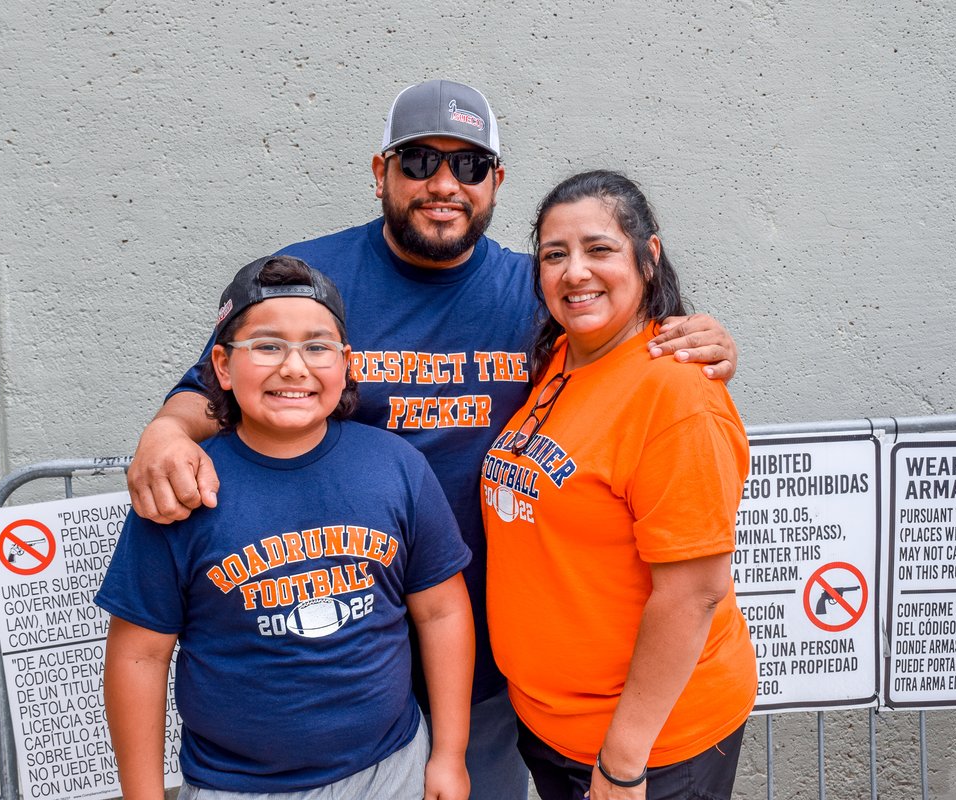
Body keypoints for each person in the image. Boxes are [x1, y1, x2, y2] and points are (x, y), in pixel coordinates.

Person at [126, 80, 740, 800]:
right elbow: (221, 386)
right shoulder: (317, 279)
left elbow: (625, 361)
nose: (443, 184)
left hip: (482, 662)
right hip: (334, 653)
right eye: (418, 161)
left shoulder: (534, 290)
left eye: (469, 166)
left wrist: (691, 335)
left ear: (496, 183)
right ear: (380, 171)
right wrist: (165, 430)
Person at [97, 255, 475, 800]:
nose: (294, 367)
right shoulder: (183, 488)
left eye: (317, 347)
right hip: (239, 785)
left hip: (393, 768)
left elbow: (441, 611)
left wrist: (449, 755)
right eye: (268, 346)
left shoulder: (396, 467)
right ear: (223, 367)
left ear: (347, 364)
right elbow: (139, 655)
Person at [481, 170, 757, 800]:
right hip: (553, 729)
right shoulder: (560, 359)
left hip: (645, 751)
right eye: (555, 255)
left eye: (599, 249)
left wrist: (623, 762)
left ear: (647, 257)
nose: (575, 271)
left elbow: (692, 596)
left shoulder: (677, 393)